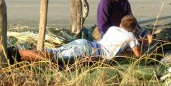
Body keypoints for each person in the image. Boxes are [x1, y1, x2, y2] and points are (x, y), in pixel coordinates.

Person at [19, 15, 152, 62]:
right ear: (133, 29)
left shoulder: (112, 28)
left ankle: (20, 55)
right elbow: (138, 57)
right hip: (90, 52)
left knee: (55, 53)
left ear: (120, 24)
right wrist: (147, 42)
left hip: (86, 43)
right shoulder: (130, 36)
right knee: (53, 56)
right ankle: (18, 54)